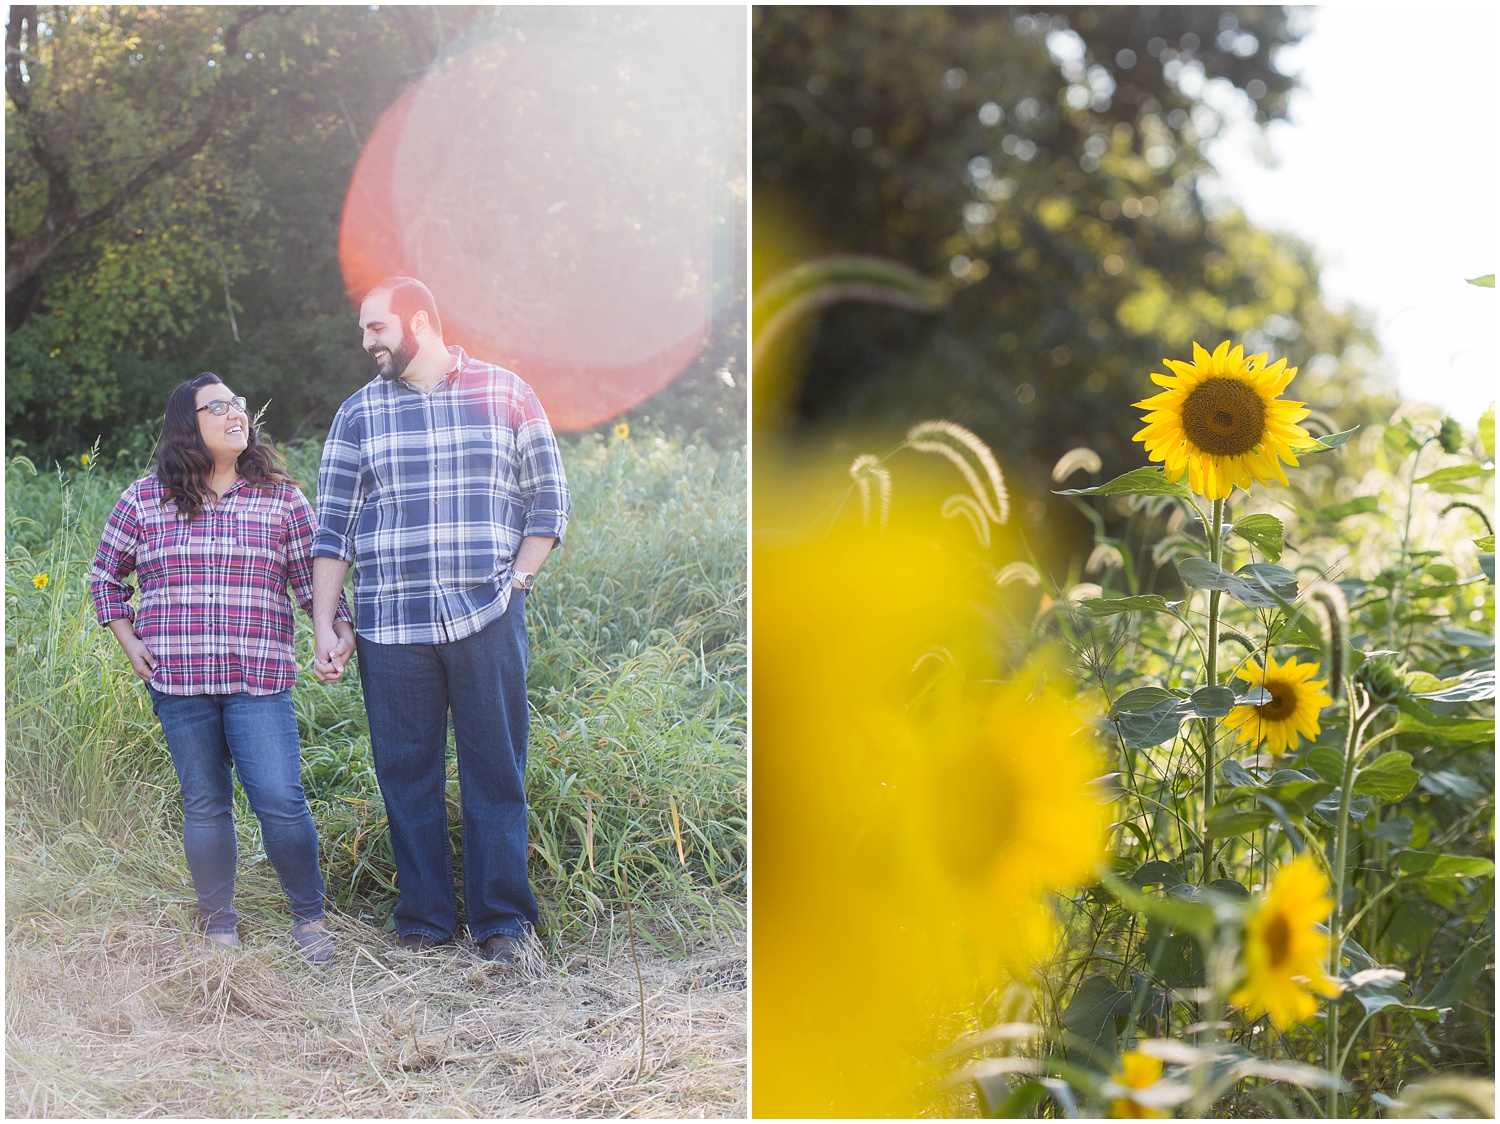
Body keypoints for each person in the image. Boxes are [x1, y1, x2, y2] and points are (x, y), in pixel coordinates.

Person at [310, 276, 570, 963]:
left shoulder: (506, 393)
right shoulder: (358, 415)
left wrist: (517, 581)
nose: (366, 342)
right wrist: (324, 625)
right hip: (392, 626)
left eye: (376, 328)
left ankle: (502, 926)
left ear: (418, 321)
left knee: (496, 771)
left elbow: (548, 504)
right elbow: (332, 533)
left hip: (487, 616)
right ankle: (424, 921)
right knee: (405, 774)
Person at [90, 373, 354, 961]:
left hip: (258, 681)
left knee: (280, 800)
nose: (236, 413)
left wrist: (337, 631)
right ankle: (218, 926)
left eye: (238, 404)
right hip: (179, 683)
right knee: (205, 802)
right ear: (189, 425)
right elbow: (106, 577)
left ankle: (309, 920)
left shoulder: (281, 498)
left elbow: (313, 583)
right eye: (218, 407)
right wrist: (128, 640)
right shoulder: (143, 499)